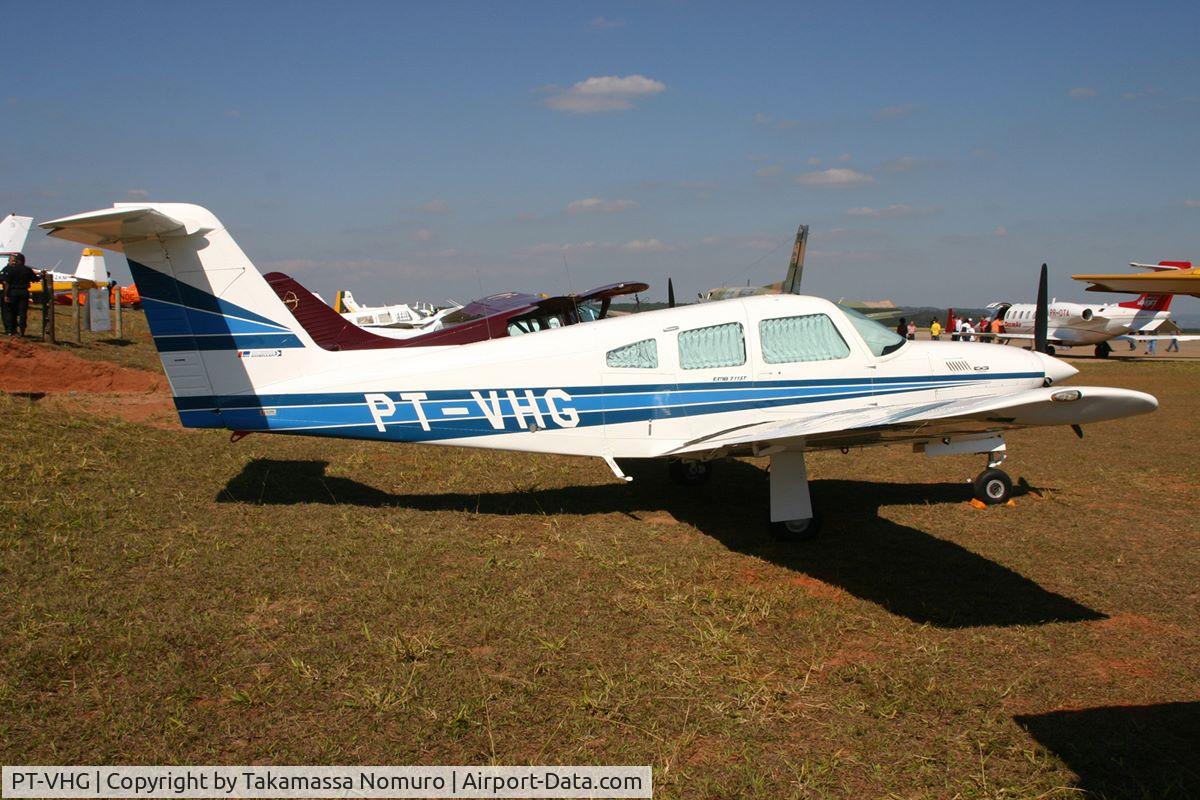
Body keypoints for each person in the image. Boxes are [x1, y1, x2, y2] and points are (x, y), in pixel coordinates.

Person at [0, 253, 41, 337]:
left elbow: (6, 283)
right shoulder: (27, 269)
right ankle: (22, 330)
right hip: (24, 293)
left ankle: (11, 330)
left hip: (13, 293)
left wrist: (6, 295)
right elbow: (35, 279)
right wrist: (41, 276)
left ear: (16, 261)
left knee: (11, 311)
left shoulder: (10, 269)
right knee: (23, 312)